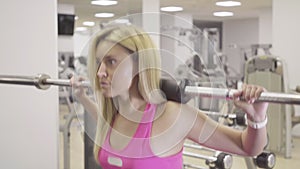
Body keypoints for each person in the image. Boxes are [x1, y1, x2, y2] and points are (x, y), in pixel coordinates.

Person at [71, 24, 268, 169]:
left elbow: (246, 147)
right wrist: (82, 97)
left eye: (111, 62)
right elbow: (102, 119)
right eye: (98, 63)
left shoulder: (173, 116)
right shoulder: (114, 115)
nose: (100, 72)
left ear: (140, 65)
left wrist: (256, 118)